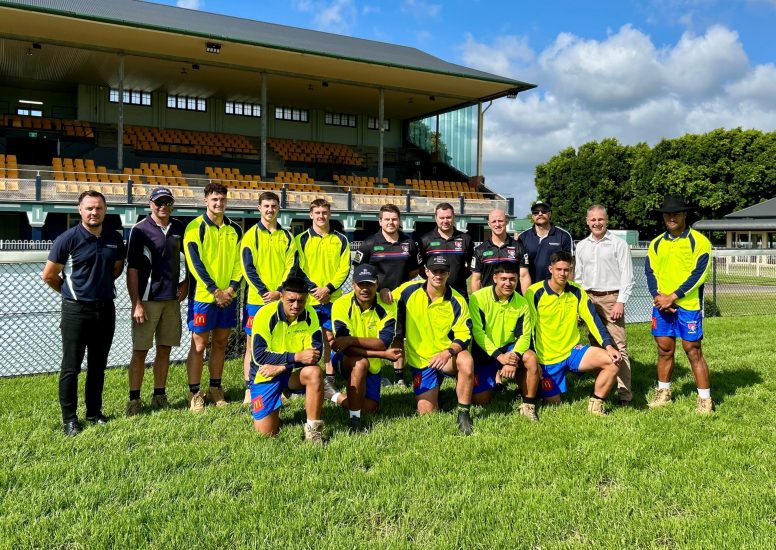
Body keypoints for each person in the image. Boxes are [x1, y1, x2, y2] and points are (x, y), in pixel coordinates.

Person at [41, 190, 126, 436]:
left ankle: (94, 412)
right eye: (89, 208)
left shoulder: (114, 238)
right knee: (71, 367)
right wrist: (71, 293)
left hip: (105, 309)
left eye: (98, 208)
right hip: (76, 311)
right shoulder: (67, 239)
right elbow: (48, 275)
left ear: (105, 210)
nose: (93, 212)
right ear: (80, 210)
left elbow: (116, 269)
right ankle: (69, 419)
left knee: (98, 365)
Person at [524, 250, 621, 416]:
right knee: (554, 403)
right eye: (559, 269)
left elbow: (593, 320)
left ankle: (596, 404)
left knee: (612, 362)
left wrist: (608, 345)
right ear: (550, 269)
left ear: (571, 271)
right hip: (547, 358)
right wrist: (534, 362)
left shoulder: (577, 291)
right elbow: (528, 329)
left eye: (567, 270)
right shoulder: (534, 292)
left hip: (572, 351)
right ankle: (539, 387)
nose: (563, 273)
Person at [645, 195, 713, 413]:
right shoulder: (656, 244)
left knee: (692, 350)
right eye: (667, 214)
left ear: (685, 214)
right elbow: (650, 272)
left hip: (687, 305)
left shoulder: (699, 242)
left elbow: (699, 274)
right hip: (662, 305)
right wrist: (658, 297)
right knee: (664, 349)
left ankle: (705, 399)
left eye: (676, 213)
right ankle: (664, 393)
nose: (671, 217)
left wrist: (673, 296)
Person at [395, 255, 475, 435]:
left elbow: (465, 334)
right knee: (427, 414)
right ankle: (437, 388)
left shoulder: (457, 300)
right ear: (426, 272)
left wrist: (447, 352)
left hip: (447, 358)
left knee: (466, 360)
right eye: (434, 271)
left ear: (448, 274)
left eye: (443, 272)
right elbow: (385, 298)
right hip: (422, 360)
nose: (438, 275)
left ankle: (463, 414)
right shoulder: (408, 291)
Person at [125, 187, 188, 416]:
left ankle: (159, 394)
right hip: (148, 299)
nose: (163, 206)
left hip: (171, 299)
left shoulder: (179, 227)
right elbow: (131, 268)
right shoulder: (139, 230)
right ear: (150, 203)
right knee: (140, 350)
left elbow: (190, 258)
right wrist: (136, 302)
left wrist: (187, 282)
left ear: (172, 204)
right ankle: (134, 399)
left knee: (164, 349)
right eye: (158, 202)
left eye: (167, 202)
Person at [183, 183, 243, 413]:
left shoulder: (234, 229)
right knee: (198, 345)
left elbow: (240, 262)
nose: (218, 203)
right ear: (205, 200)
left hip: (229, 296)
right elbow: (194, 262)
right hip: (203, 297)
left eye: (222, 199)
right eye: (214, 199)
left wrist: (231, 288)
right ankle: (195, 393)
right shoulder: (194, 228)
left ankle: (216, 388)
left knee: (220, 343)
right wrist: (214, 290)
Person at [248, 276, 324, 442]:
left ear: (307, 299)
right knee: (266, 434)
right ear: (281, 296)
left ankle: (313, 431)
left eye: (301, 301)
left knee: (315, 372)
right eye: (291, 300)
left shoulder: (311, 314)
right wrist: (296, 357)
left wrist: (282, 367)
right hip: (265, 374)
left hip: (290, 373)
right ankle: (272, 410)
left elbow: (315, 354)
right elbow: (259, 356)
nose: (296, 306)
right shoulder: (264, 315)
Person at [328, 264, 402, 432]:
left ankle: (334, 395)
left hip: (373, 362)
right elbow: (344, 348)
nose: (365, 289)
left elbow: (383, 342)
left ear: (377, 284)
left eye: (369, 284)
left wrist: (351, 339)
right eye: (361, 284)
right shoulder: (340, 304)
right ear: (353, 285)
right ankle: (355, 420)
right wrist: (383, 355)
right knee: (360, 363)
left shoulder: (387, 305)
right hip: (345, 359)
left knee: (371, 407)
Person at [574, 204, 635, 406]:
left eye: (600, 219)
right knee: (597, 347)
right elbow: (579, 278)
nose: (597, 223)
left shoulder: (618, 244)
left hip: (611, 299)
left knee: (618, 346)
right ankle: (602, 390)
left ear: (606, 221)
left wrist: (620, 301)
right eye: (593, 220)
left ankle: (625, 395)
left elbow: (627, 277)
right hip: (589, 299)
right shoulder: (581, 246)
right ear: (587, 221)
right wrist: (579, 305)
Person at [354, 203, 420, 386]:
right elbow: (359, 271)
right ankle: (376, 373)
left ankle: (399, 376)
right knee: (376, 337)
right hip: (375, 299)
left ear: (399, 221)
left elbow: (415, 271)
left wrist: (399, 290)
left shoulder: (409, 243)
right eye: (387, 219)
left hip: (400, 299)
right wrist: (380, 287)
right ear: (380, 221)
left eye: (394, 219)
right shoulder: (369, 244)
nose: (391, 223)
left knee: (399, 336)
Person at [240, 191, 296, 405]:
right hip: (258, 300)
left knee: (278, 343)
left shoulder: (287, 237)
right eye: (266, 206)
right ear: (259, 208)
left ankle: (278, 386)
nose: (270, 210)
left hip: (280, 299)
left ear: (278, 208)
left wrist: (280, 291)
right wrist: (266, 292)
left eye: (273, 206)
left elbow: (292, 265)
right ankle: (249, 387)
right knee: (253, 345)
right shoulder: (250, 236)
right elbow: (248, 267)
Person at [469, 263, 540, 420]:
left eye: (512, 279)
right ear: (495, 278)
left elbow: (525, 335)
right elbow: (478, 333)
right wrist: (499, 357)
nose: (508, 283)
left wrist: (512, 359)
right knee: (481, 402)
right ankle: (495, 382)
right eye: (503, 279)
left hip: (509, 348)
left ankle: (528, 403)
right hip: (485, 351)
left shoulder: (522, 303)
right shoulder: (477, 298)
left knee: (530, 358)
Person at [295, 198, 351, 399]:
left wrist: (327, 288)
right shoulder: (300, 239)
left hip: (332, 298)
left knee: (330, 338)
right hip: (309, 300)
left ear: (329, 214)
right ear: (311, 215)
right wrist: (313, 289)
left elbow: (344, 268)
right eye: (317, 213)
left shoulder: (341, 240)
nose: (321, 216)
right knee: (306, 338)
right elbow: (298, 267)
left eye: (324, 213)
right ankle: (305, 377)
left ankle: (329, 376)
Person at [419, 202, 474, 298]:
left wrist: (458, 277)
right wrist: (434, 279)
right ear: (436, 218)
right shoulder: (425, 240)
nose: (445, 221)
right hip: (434, 294)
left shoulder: (465, 239)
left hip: (459, 293)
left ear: (454, 217)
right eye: (441, 218)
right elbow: (420, 268)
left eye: (448, 217)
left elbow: (470, 266)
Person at [471, 208, 531, 295]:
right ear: (489, 224)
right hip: (489, 301)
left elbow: (524, 276)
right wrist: (476, 303)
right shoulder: (480, 250)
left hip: (513, 301)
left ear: (506, 221)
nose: (497, 224)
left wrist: (527, 300)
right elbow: (476, 279)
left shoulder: (519, 247)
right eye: (494, 221)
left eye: (500, 221)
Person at [518, 200, 573, 283]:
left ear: (549, 214)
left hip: (555, 289)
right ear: (532, 216)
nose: (540, 214)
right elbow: (521, 269)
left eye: (543, 211)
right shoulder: (523, 237)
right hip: (530, 288)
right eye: (536, 212)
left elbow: (569, 266)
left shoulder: (564, 236)